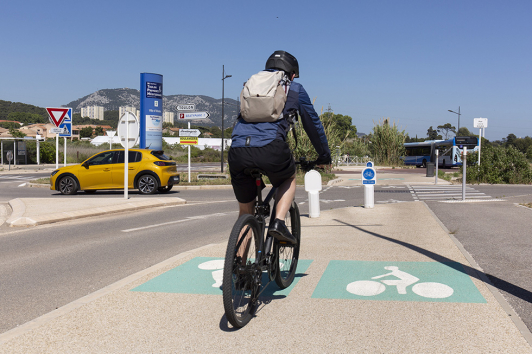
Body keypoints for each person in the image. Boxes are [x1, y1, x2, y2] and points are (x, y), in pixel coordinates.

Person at [228, 50, 331, 244]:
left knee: (244, 213)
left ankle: (238, 271)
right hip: (271, 149)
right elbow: (313, 125)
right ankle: (278, 223)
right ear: (291, 74)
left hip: (238, 150)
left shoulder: (250, 86)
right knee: (288, 178)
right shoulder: (294, 88)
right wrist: (324, 154)